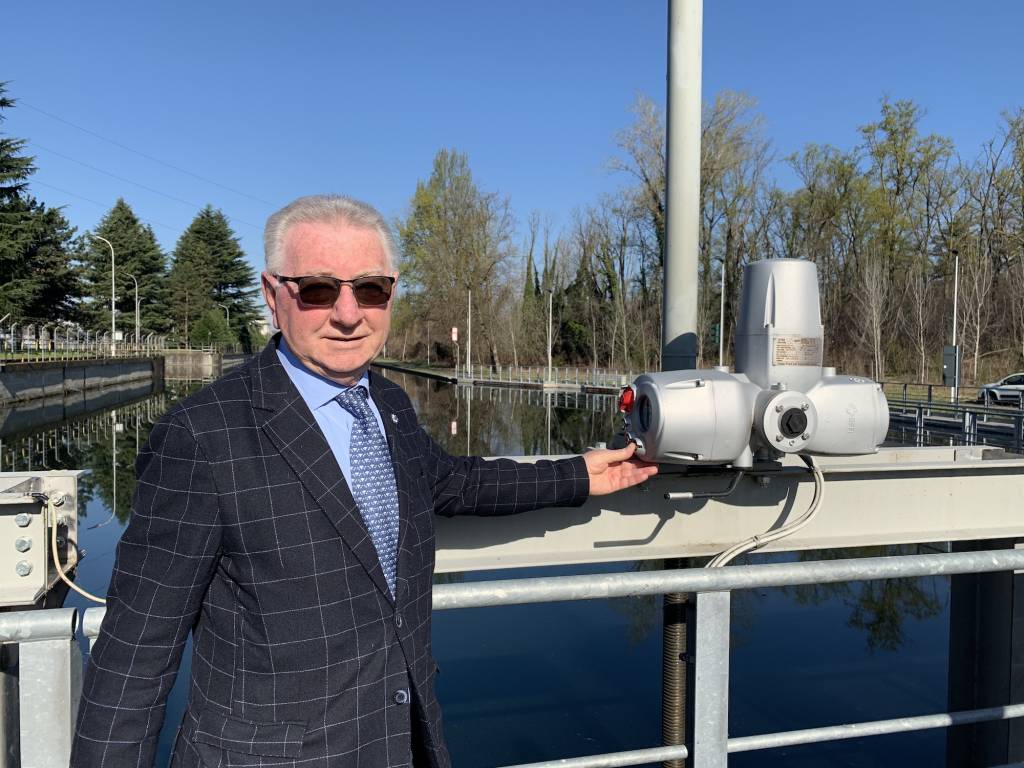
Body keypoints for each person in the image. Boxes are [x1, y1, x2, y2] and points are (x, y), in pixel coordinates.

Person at [72, 194, 657, 768]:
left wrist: (579, 473)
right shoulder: (202, 434)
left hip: (399, 740)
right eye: (319, 289)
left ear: (392, 293)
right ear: (273, 295)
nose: (349, 314)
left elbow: (452, 482)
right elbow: (136, 652)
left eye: (370, 289)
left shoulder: (390, 404)